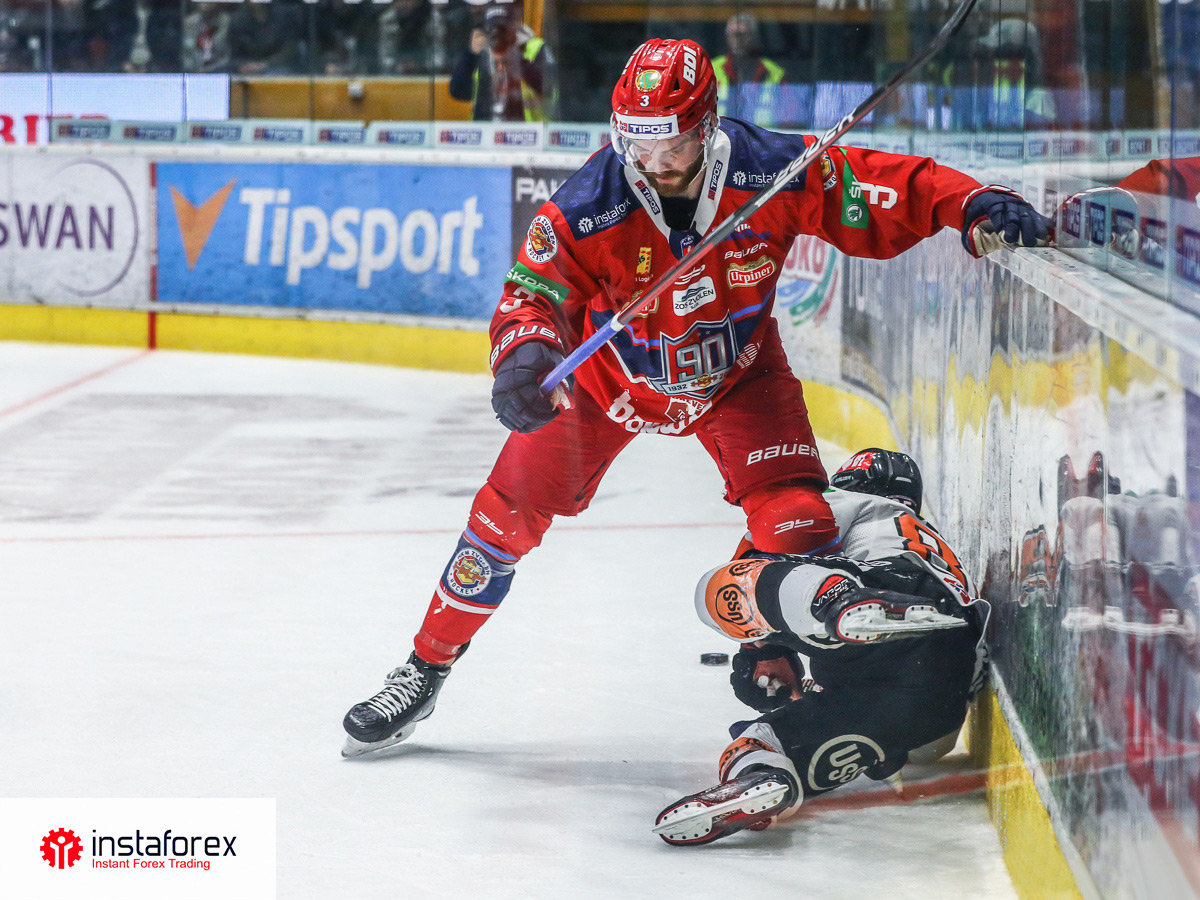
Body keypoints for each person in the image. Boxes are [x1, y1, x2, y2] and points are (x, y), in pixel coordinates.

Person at [341, 38, 1046, 758]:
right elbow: (531, 297)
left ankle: (780, 655)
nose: (653, 162)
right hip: (606, 386)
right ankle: (424, 667)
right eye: (637, 144)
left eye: (672, 144)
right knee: (500, 520)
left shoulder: (771, 172)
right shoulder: (586, 207)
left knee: (799, 522)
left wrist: (969, 202)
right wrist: (523, 355)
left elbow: (877, 185)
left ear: (706, 126)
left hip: (737, 379)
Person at [653, 449, 990, 845]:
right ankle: (763, 779)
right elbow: (930, 753)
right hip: (939, 695)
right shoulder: (929, 546)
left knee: (715, 589)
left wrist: (761, 650)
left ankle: (837, 601)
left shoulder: (845, 501)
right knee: (777, 737)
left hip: (886, 598)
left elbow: (764, 549)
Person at [448, 3, 553, 122]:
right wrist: (471, 54)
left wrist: (515, 56)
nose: (497, 37)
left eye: (503, 30)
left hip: (525, 130)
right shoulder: (481, 53)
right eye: (492, 30)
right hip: (485, 130)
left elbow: (549, 87)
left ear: (516, 29)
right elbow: (458, 92)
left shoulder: (535, 47)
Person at [712, 12, 785, 126]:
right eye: (733, 35)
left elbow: (790, 119)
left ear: (755, 38)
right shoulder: (710, 69)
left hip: (762, 136)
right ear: (727, 38)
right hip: (720, 135)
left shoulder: (774, 73)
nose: (738, 40)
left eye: (742, 35)